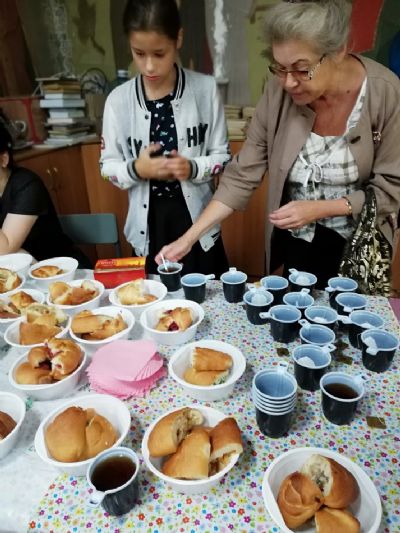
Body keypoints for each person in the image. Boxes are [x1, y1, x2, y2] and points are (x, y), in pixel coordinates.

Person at [156, 0, 400, 289]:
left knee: (354, 316)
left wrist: (320, 209)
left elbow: (391, 189)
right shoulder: (278, 93)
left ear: (338, 51)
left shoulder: (385, 91)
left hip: (362, 247)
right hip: (299, 243)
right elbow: (241, 175)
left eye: (302, 69)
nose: (288, 83)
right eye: (280, 68)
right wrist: (188, 238)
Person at [100, 0, 230, 277]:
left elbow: (222, 156)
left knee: (206, 293)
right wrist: (137, 169)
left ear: (178, 39)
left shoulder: (205, 90)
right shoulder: (118, 101)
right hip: (148, 224)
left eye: (159, 53)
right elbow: (107, 167)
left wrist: (192, 167)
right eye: (139, 53)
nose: (149, 66)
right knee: (154, 297)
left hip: (197, 221)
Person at [0, 123, 91, 266]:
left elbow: (5, 250)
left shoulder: (27, 184)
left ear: (4, 159)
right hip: (21, 271)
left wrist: (17, 253)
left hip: (59, 270)